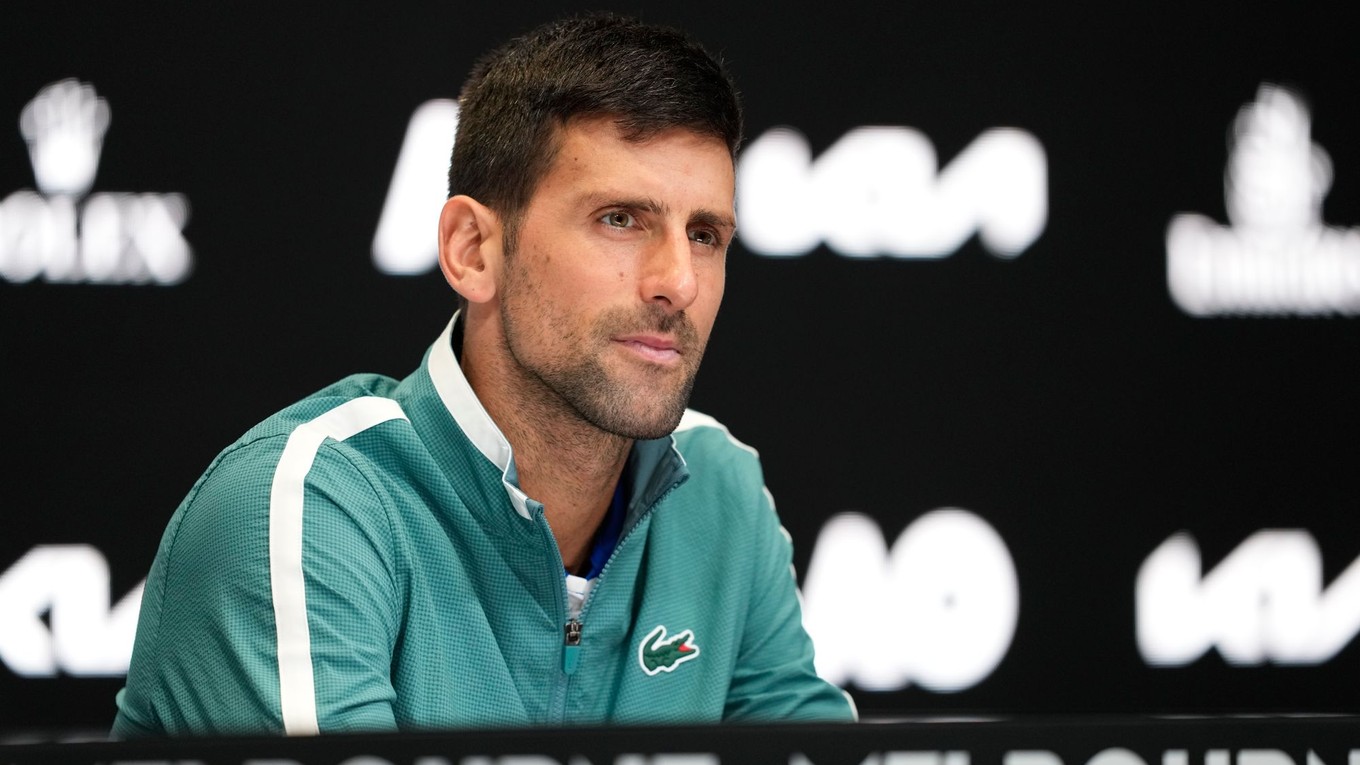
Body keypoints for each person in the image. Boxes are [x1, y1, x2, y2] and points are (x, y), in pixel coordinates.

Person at [112, 13, 855, 736]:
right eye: (620, 219)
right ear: (472, 248)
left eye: (704, 235)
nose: (677, 283)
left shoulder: (718, 490)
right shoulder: (306, 505)